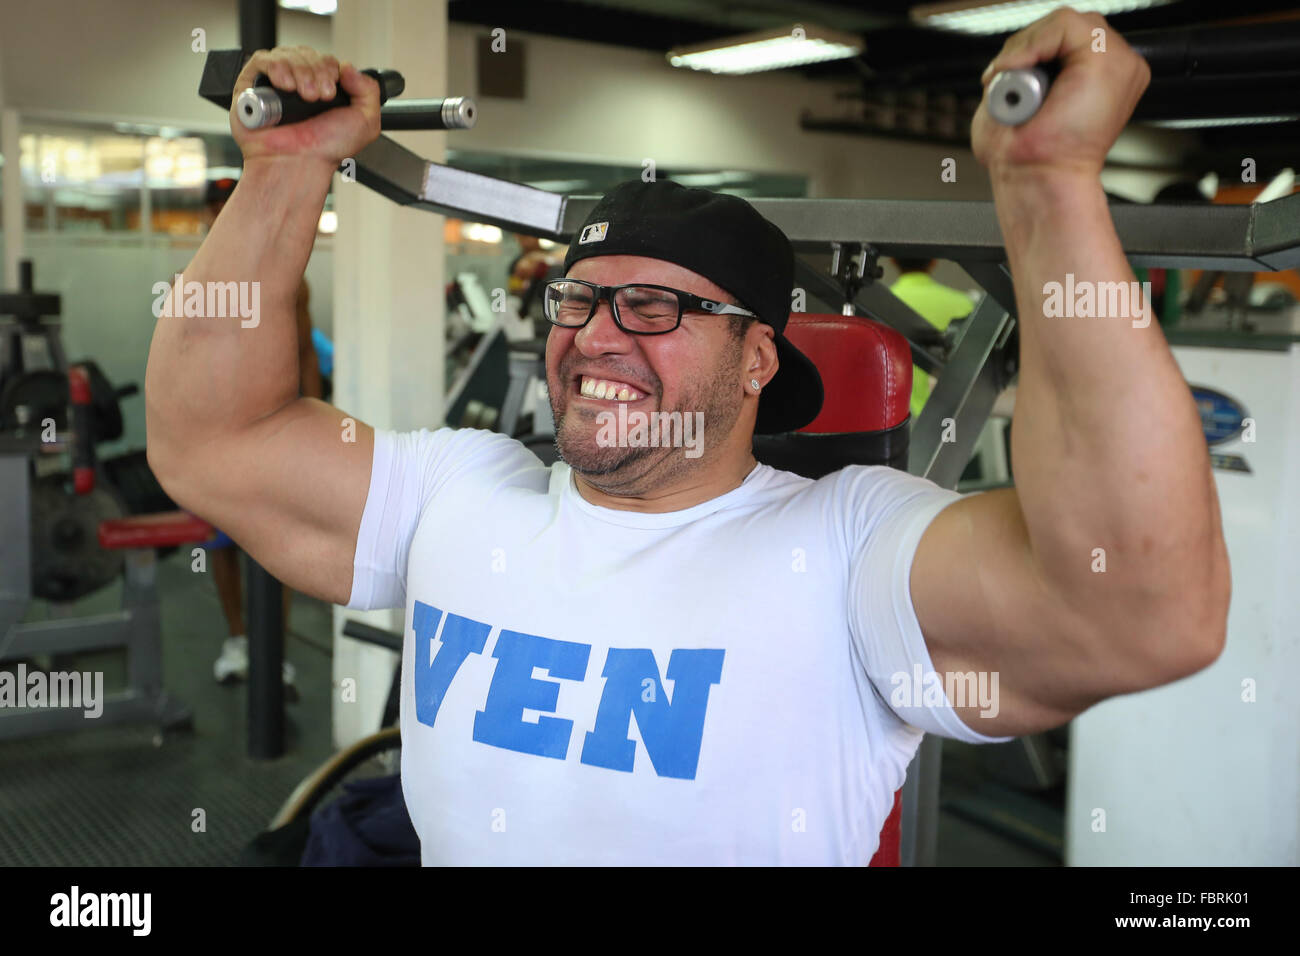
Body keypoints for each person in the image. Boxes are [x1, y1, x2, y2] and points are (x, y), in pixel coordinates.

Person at [146, 13, 1229, 865]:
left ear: (758, 358)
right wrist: (286, 169)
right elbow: (212, 435)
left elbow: (1139, 612)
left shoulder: (848, 547)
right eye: (579, 301)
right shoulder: (462, 488)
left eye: (657, 310)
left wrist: (1044, 191)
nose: (599, 337)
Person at [198, 177, 323, 686]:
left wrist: (314, 417)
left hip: (279, 427)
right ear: (210, 214)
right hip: (218, 434)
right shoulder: (198, 277)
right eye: (218, 206)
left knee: (277, 540)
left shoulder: (291, 276)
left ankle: (274, 646)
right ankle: (237, 638)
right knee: (222, 542)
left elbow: (306, 350)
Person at [888, 257, 976, 420]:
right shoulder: (964, 304)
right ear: (934, 261)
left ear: (892, 261)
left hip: (898, 419)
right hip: (955, 418)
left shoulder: (882, 305)